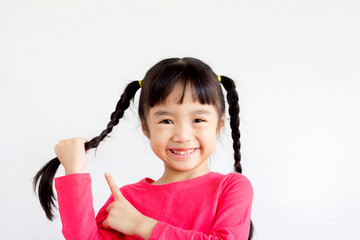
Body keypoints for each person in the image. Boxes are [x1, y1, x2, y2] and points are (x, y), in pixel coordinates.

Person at [34, 57, 254, 239]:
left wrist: (141, 225)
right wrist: (74, 172)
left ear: (219, 125)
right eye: (166, 121)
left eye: (198, 119)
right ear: (146, 128)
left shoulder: (231, 187)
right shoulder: (127, 200)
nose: (183, 136)